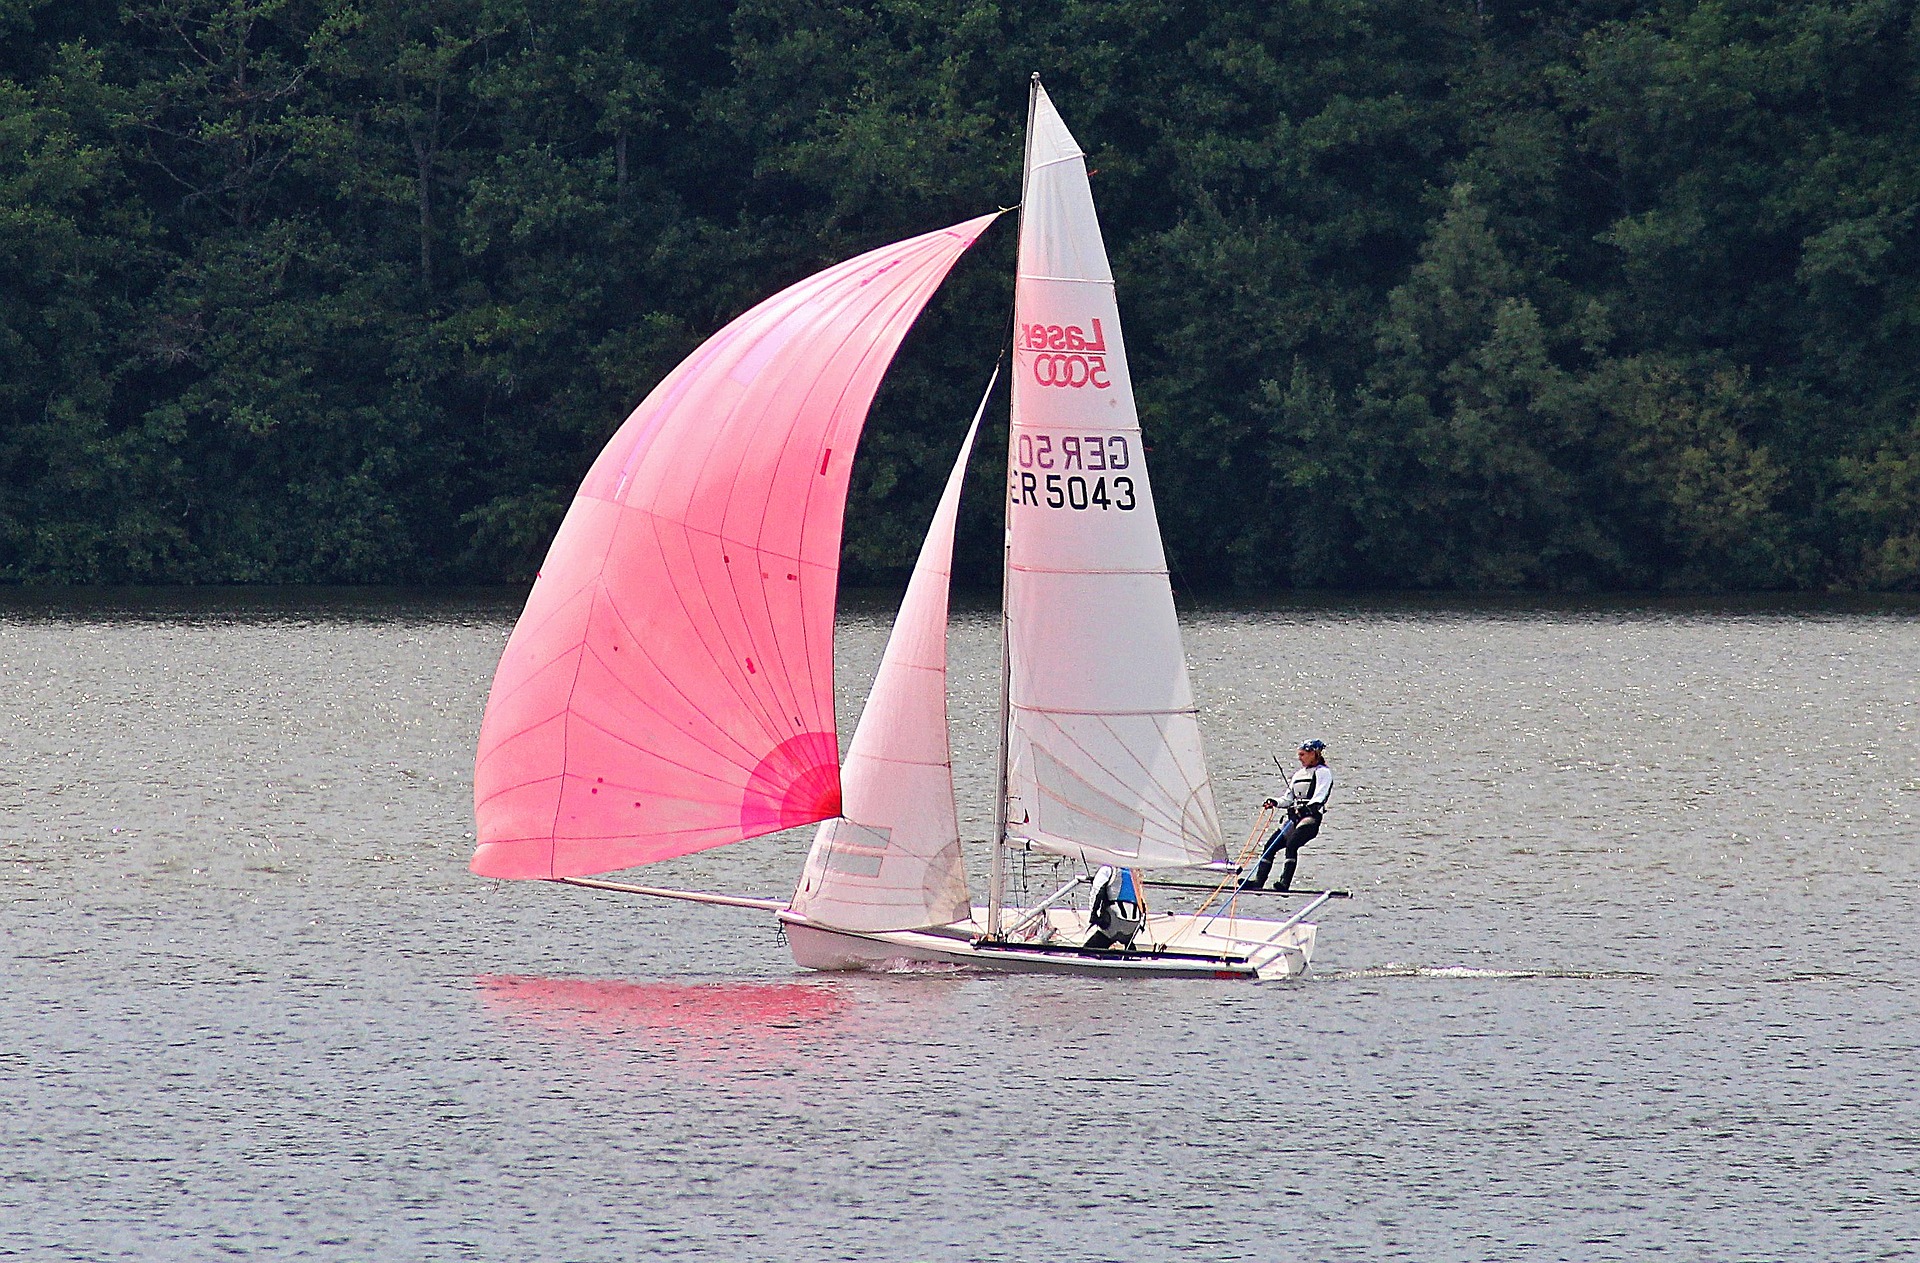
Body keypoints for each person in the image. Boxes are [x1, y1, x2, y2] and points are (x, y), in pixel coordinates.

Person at [1242, 740, 1333, 891]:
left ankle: (1284, 883)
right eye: (1299, 755)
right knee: (1270, 846)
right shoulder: (1298, 774)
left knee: (1292, 845)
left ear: (1313, 754)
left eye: (1303, 754)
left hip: (1310, 819)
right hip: (1294, 818)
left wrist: (1306, 809)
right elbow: (1288, 799)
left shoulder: (1323, 772)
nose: (1300, 758)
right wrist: (1274, 802)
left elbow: (1320, 797)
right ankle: (1258, 882)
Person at [1084, 865, 1145, 950]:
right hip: (1133, 924)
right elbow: (1141, 900)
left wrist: (1094, 916)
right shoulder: (1134, 873)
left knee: (1088, 950)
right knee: (1125, 941)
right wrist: (1142, 924)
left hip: (1113, 921)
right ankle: (1130, 951)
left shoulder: (1107, 869)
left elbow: (1097, 892)